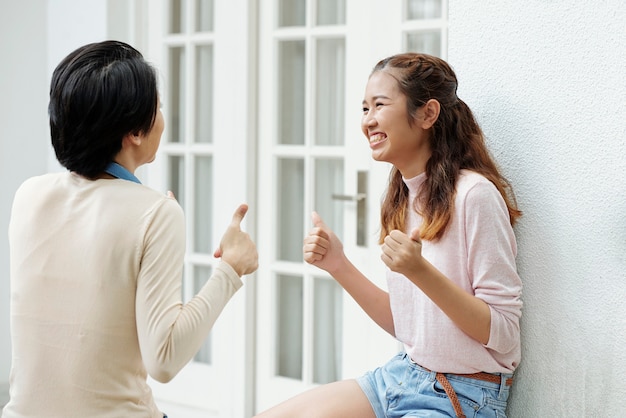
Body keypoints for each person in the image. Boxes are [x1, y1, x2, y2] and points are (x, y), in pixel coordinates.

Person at [255, 52, 522, 418]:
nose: (368, 120)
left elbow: (504, 333)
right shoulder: (401, 196)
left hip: (464, 393)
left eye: (379, 105)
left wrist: (420, 271)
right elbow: (407, 324)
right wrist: (338, 264)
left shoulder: (475, 196)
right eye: (364, 109)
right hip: (402, 376)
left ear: (428, 114)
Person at [3, 40, 258, 418]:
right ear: (135, 132)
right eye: (157, 108)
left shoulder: (28, 195)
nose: (162, 119)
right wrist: (230, 269)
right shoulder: (157, 213)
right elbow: (165, 360)